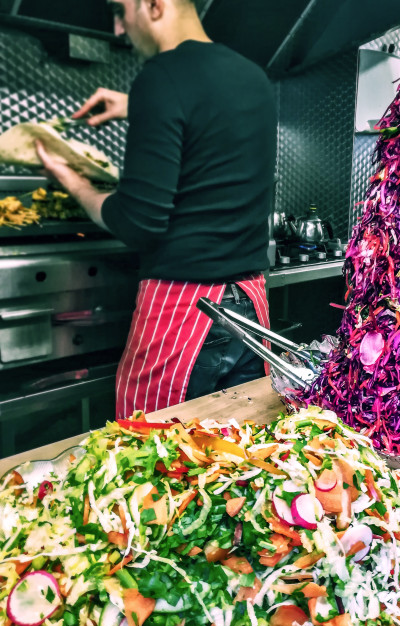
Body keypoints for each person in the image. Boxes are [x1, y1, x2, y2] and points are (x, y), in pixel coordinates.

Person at [36, 0, 277, 418]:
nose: (118, 28)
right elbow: (209, 119)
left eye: (119, 10)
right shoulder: (254, 78)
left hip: (185, 310)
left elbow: (138, 221)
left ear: (152, 5)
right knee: (238, 454)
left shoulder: (162, 77)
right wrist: (138, 105)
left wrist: (71, 180)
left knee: (154, 458)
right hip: (250, 308)